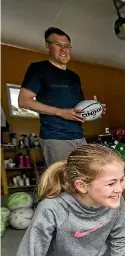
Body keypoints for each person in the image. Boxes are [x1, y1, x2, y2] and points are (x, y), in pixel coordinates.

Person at [18, 27, 106, 166]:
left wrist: (93, 109)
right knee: (63, 183)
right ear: (47, 45)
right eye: (58, 45)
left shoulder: (74, 77)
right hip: (56, 137)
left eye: (66, 46)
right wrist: (60, 112)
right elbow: (24, 101)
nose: (63, 50)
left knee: (82, 180)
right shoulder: (38, 69)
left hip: (78, 136)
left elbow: (77, 110)